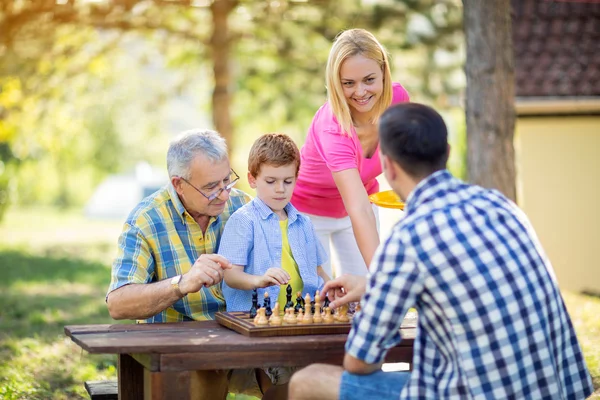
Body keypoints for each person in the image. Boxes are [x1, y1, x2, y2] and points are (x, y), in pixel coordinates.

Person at [288, 103, 594, 400]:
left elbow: (359, 362)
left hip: (473, 393)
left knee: (306, 381)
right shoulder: (501, 206)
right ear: (447, 153)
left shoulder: (409, 236)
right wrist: (374, 285)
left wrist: (380, 296)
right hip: (554, 389)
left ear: (389, 167)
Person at [106, 129, 273, 399]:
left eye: (226, 181)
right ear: (178, 184)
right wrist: (181, 284)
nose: (223, 195)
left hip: (242, 337)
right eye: (210, 187)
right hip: (179, 349)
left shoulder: (245, 208)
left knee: (292, 379)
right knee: (207, 375)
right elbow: (118, 303)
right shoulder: (146, 220)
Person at [218, 133, 330, 400]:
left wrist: (332, 287)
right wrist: (259, 280)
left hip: (301, 322)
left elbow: (317, 271)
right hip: (260, 324)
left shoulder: (303, 222)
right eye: (271, 181)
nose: (280, 189)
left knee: (312, 382)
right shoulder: (243, 221)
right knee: (280, 386)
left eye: (287, 181)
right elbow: (230, 275)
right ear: (253, 178)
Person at [291, 28, 410, 279]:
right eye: (348, 83)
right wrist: (384, 280)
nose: (360, 92)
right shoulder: (333, 128)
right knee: (320, 301)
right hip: (309, 213)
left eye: (369, 80)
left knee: (365, 292)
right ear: (336, 83)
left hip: (362, 202)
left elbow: (405, 154)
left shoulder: (398, 99)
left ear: (384, 74)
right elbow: (358, 208)